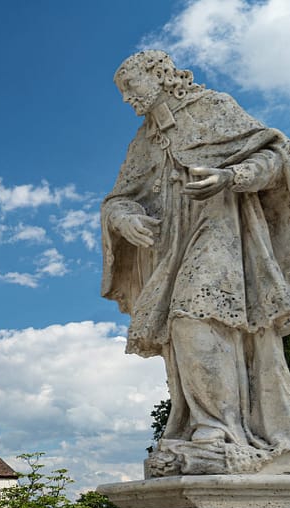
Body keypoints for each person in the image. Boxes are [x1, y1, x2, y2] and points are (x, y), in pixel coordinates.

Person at [102, 50, 290, 475]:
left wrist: (231, 177)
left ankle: (219, 430)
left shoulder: (214, 108)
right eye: (123, 93)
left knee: (192, 316)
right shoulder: (144, 141)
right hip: (169, 244)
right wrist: (125, 218)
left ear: (160, 75)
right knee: (175, 332)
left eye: (132, 87)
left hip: (222, 229)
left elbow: (276, 159)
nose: (128, 99)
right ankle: (205, 426)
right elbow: (118, 197)